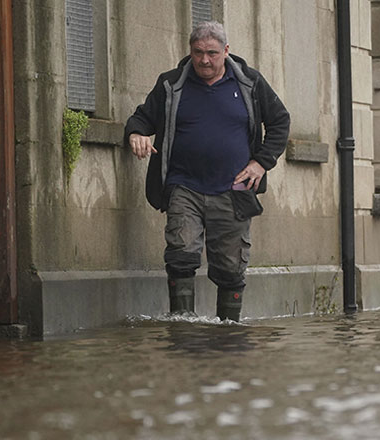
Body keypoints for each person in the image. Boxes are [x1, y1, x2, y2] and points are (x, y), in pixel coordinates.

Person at [124, 21, 290, 321]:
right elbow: (142, 117)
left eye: (212, 53)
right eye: (198, 52)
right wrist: (136, 133)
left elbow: (280, 121)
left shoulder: (250, 84)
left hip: (234, 189)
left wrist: (261, 162)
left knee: (230, 267)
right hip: (183, 185)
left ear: (226, 51)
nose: (204, 60)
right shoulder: (171, 84)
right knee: (181, 253)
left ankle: (228, 332)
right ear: (190, 50)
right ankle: (182, 324)